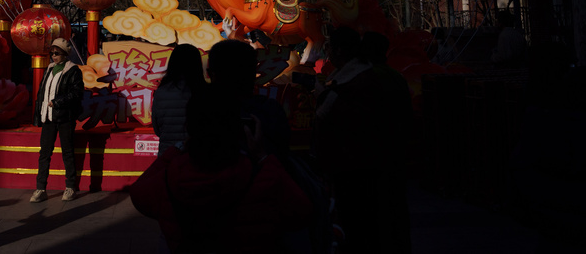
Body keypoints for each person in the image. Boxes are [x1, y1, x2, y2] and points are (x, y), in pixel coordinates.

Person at [131, 87, 312, 253]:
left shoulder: (170, 178)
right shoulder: (263, 179)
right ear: (237, 128)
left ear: (189, 128)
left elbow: (138, 194)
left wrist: (177, 148)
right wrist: (263, 156)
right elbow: (303, 212)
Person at [315, 27, 411, 254]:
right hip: (383, 163)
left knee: (363, 225)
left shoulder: (358, 81)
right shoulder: (385, 76)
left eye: (329, 46)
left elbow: (345, 119)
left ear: (339, 50)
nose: (327, 51)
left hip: (359, 167)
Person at [30, 37, 83, 203]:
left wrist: (58, 102)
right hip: (48, 117)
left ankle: (70, 187)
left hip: (65, 117)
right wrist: (39, 114)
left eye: (57, 53)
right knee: (44, 153)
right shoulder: (49, 69)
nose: (54, 56)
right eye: (52, 53)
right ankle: (40, 188)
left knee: (67, 152)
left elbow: (77, 94)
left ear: (65, 54)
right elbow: (41, 93)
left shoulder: (73, 70)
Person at [152, 43, 206, 155]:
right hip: (197, 157)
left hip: (168, 156)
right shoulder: (205, 92)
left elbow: (157, 129)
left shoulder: (162, 92)